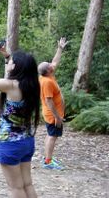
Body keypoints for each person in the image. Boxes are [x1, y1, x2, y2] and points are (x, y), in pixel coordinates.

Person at [0, 43, 40, 198]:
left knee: (15, 188)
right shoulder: (32, 85)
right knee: (27, 184)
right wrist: (6, 56)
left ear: (16, 67)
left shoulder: (11, 86)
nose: (9, 63)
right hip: (27, 141)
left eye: (11, 61)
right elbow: (9, 75)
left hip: (10, 142)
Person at [38, 37, 68, 170]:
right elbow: (48, 101)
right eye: (50, 65)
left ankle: (47, 158)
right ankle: (48, 162)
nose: (52, 64)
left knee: (50, 135)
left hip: (53, 114)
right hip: (52, 115)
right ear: (48, 70)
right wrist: (57, 117)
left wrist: (60, 48)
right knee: (52, 136)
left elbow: (55, 61)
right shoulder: (47, 82)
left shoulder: (47, 75)